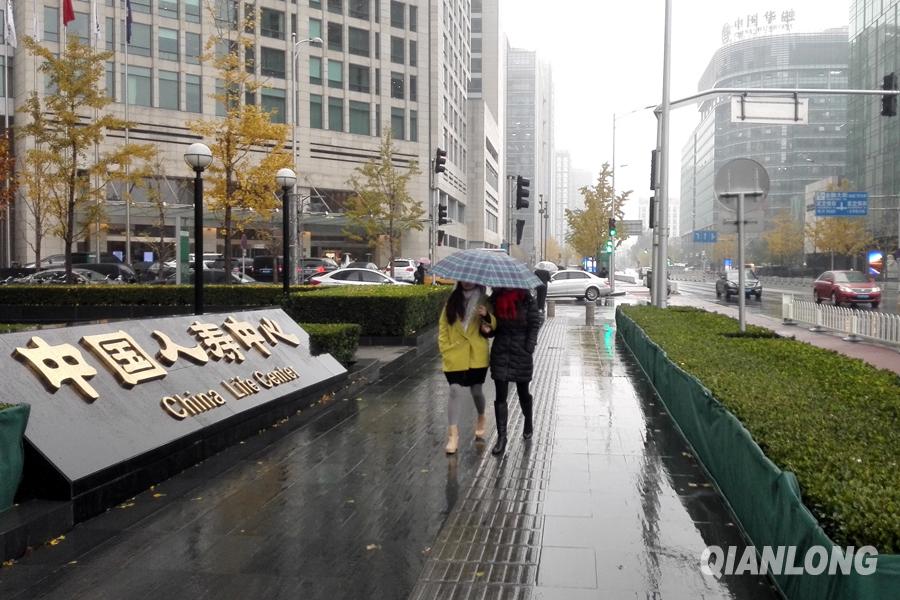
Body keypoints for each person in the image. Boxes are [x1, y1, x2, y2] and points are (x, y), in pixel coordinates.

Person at [438, 281, 496, 454]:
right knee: (454, 390)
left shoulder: (485, 300)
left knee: (476, 391)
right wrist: (445, 349)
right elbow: (443, 327)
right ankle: (453, 436)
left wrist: (486, 316)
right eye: (463, 279)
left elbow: (493, 326)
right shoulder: (452, 300)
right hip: (455, 354)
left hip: (476, 355)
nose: (467, 282)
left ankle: (481, 416)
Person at [481, 287, 540, 456]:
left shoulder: (527, 300)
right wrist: (487, 328)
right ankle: (502, 438)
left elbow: (534, 324)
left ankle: (528, 420)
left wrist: (529, 347)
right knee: (500, 396)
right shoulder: (494, 299)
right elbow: (493, 328)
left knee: (523, 392)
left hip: (521, 352)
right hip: (501, 351)